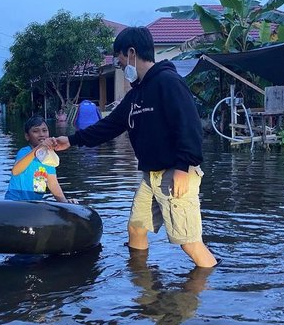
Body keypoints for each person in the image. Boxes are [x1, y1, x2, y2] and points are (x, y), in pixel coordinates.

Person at [52, 26, 217, 267]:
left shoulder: (168, 82)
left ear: (131, 53)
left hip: (175, 173)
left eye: (119, 61)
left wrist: (183, 167)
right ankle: (143, 283)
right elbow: (110, 125)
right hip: (151, 176)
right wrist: (73, 140)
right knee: (136, 229)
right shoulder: (136, 94)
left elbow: (189, 125)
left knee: (189, 242)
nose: (120, 66)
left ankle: (207, 290)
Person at [5, 115, 77, 203]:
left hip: (35, 204)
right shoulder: (25, 152)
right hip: (15, 202)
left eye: (44, 130)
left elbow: (53, 184)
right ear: (27, 136)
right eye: (35, 131)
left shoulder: (49, 157)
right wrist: (38, 148)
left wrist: (65, 203)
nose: (41, 134)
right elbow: (16, 171)